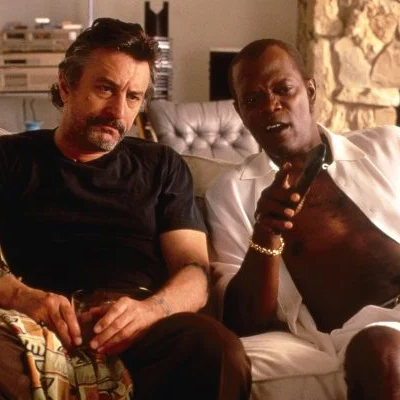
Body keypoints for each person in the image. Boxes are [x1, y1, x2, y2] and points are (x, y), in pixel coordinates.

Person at [0, 18, 251, 400]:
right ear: (66, 85)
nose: (118, 111)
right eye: (105, 89)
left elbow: (195, 271)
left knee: (217, 350)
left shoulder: (162, 166)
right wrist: (26, 298)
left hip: (138, 332)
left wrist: (150, 311)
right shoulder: (10, 159)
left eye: (133, 97)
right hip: (32, 328)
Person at [205, 38, 400, 400]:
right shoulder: (231, 193)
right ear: (240, 112)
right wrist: (266, 233)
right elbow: (242, 319)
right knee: (382, 352)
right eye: (253, 100)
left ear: (309, 92)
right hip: (362, 335)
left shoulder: (388, 146)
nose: (271, 106)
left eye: (283, 89)